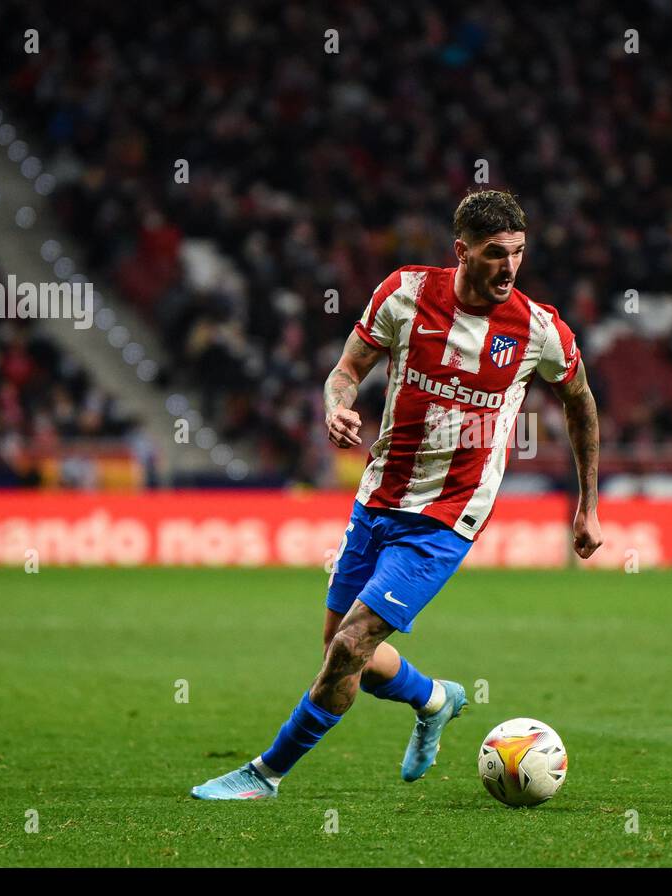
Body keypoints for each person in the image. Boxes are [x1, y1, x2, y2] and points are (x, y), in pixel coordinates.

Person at [192, 189, 603, 799]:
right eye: (495, 254)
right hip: (379, 498)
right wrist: (337, 406)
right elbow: (346, 370)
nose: (509, 267)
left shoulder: (537, 329)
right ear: (461, 251)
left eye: (518, 253)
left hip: (446, 518)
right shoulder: (405, 294)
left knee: (351, 646)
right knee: (341, 648)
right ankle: (435, 699)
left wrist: (588, 504)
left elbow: (580, 403)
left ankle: (264, 775)